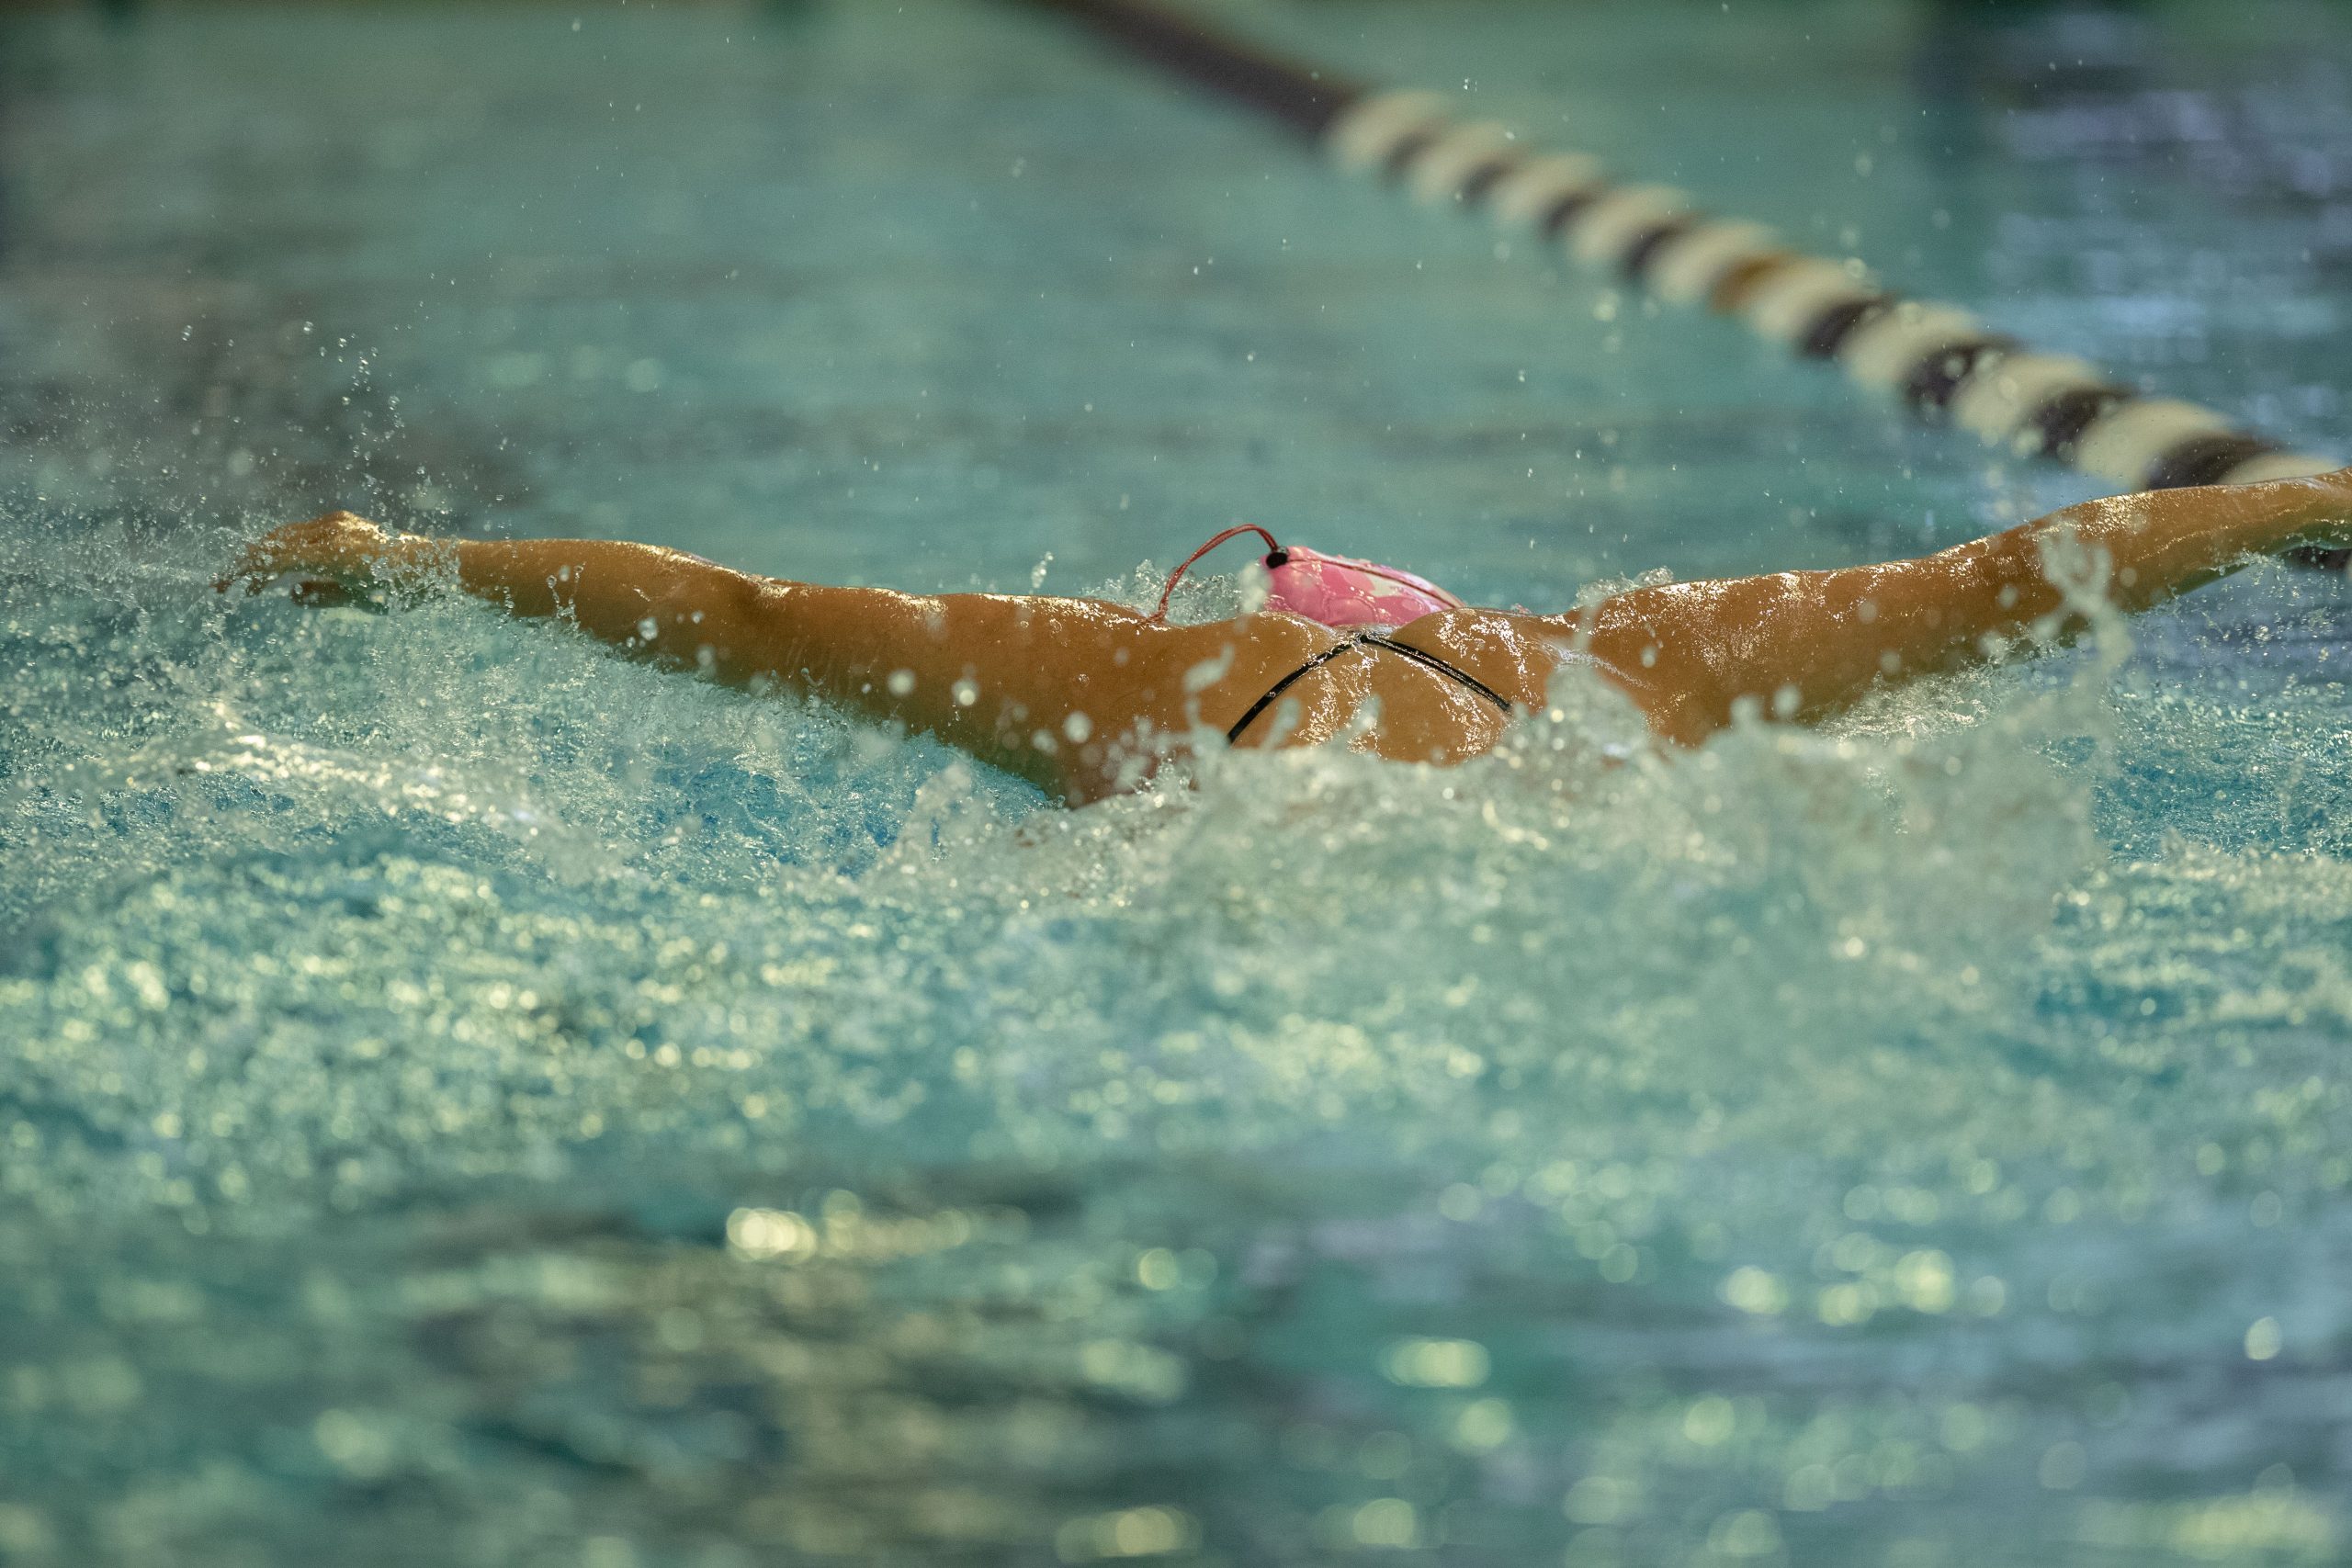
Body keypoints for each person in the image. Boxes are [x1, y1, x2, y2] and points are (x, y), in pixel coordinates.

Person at [226, 471, 2352, 805]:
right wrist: (2301, 508)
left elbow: (744, 614)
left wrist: (404, 549)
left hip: (1273, 865)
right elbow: (2029, 565)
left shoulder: (1138, 682)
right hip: (1592, 857)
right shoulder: (1639, 656)